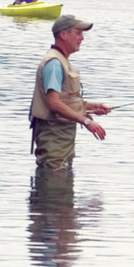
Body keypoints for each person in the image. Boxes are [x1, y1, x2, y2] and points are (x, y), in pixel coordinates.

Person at [29, 14, 111, 173]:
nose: (82, 38)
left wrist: (91, 107)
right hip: (54, 141)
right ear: (63, 34)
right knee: (55, 191)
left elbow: (64, 100)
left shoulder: (62, 61)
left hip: (61, 142)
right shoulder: (54, 63)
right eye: (78, 33)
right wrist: (87, 122)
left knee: (62, 193)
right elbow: (53, 103)